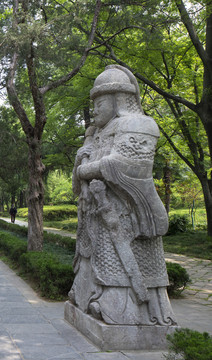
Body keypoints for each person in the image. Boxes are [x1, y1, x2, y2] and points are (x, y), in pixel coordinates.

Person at [69, 65, 175, 326]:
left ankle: (118, 307)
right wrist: (81, 160)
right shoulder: (96, 133)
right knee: (94, 255)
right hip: (96, 211)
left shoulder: (138, 124)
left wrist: (86, 168)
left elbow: (124, 164)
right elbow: (85, 169)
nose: (94, 110)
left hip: (122, 212)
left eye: (99, 103)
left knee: (117, 260)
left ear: (118, 100)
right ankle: (87, 294)